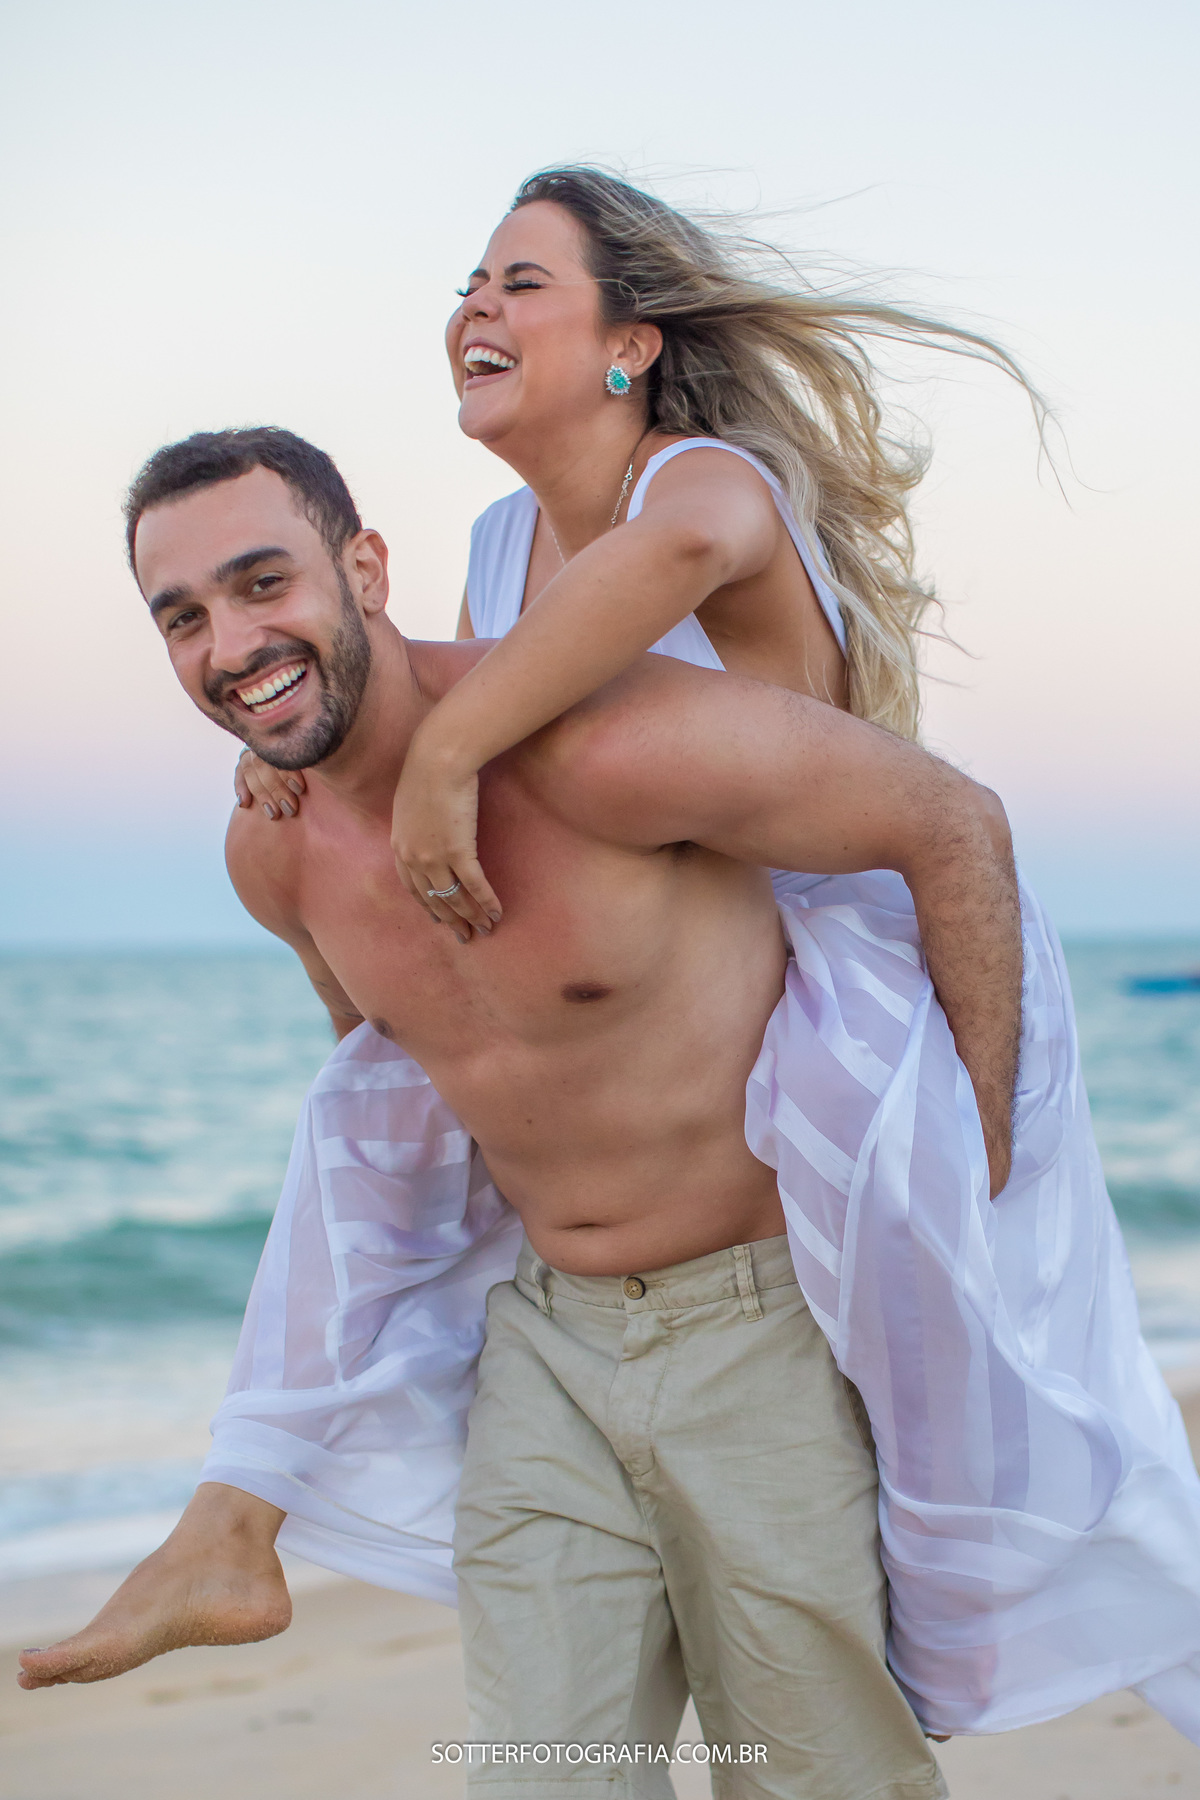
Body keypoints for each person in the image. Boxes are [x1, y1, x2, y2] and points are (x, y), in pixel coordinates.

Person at [18, 432, 1200, 1780]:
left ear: (363, 568)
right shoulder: (272, 854)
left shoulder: (605, 746)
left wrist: (987, 1165)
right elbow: (388, 1101)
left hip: (765, 1342)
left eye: (260, 584)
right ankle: (225, 1529)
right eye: (184, 618)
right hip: (548, 1354)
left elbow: (952, 825)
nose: (230, 643)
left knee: (816, 1778)